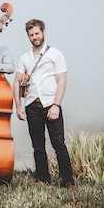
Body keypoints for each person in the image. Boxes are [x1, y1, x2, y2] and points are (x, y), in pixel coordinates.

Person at [13, 19, 76, 190]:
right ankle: (43, 178)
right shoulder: (25, 57)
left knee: (58, 143)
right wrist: (19, 106)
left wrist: (56, 105)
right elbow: (17, 82)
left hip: (50, 104)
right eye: (31, 34)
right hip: (32, 105)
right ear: (28, 36)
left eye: (37, 33)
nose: (35, 37)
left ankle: (68, 181)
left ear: (44, 32)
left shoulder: (55, 54)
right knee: (37, 145)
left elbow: (62, 81)